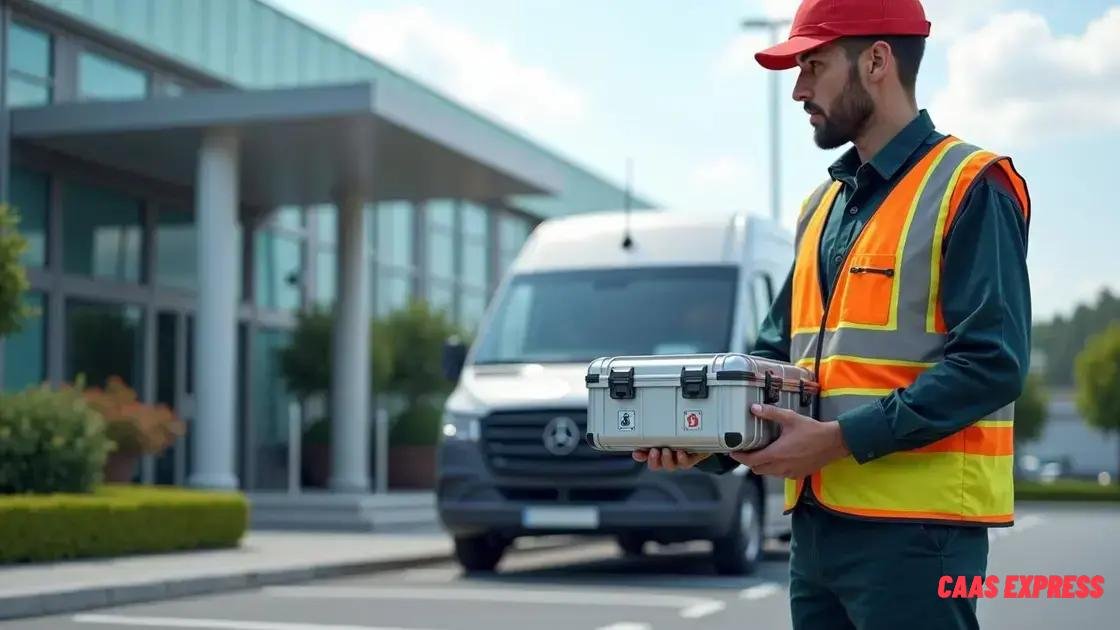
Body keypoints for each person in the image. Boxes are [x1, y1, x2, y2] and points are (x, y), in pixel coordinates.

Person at [633, 0, 1031, 628]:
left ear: (876, 61)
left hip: (919, 539)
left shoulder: (971, 185)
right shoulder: (822, 208)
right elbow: (771, 363)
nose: (798, 89)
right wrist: (704, 440)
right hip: (816, 534)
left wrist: (839, 441)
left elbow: (992, 364)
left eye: (813, 65)